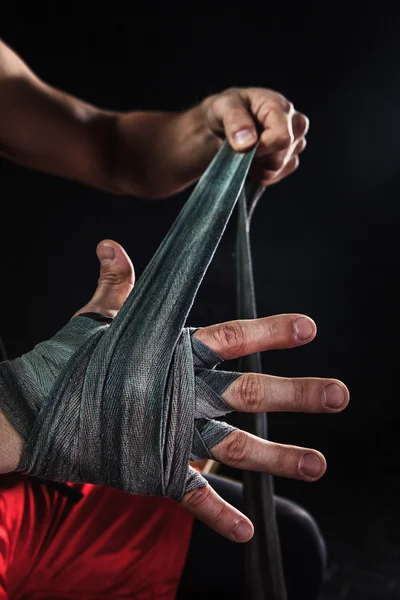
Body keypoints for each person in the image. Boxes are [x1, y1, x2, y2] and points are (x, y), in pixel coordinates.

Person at [0, 39, 349, 599]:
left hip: (19, 490)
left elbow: (103, 144)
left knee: (284, 545)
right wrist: (29, 404)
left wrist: (210, 131)